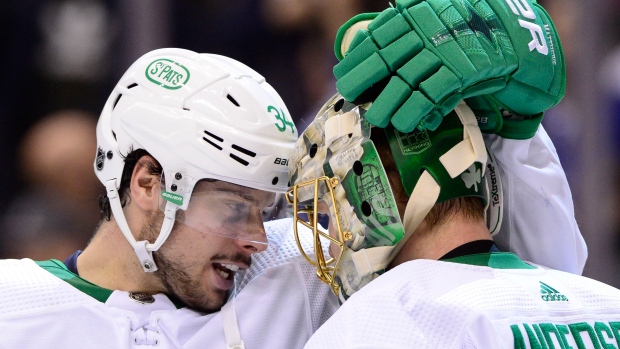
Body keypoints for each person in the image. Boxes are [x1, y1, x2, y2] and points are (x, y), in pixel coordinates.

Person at [0, 48, 340, 348]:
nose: (258, 240)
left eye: (266, 210)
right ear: (148, 185)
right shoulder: (12, 307)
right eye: (235, 207)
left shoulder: (300, 274)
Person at [287, 93, 620, 347]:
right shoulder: (607, 303)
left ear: (371, 195)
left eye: (332, 210)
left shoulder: (375, 321)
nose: (330, 239)